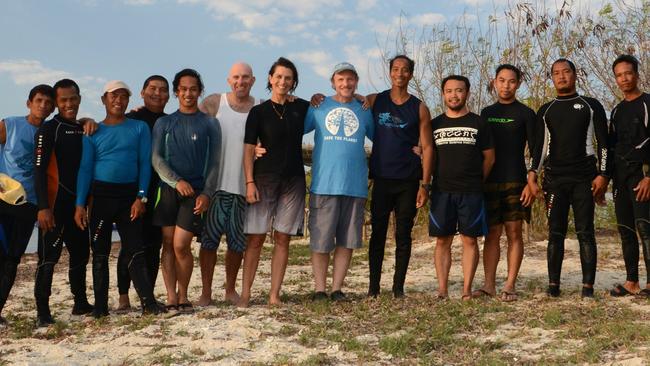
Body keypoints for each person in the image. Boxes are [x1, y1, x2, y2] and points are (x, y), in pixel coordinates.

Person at [74, 80, 165, 317]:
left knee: (135, 250)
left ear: (128, 100)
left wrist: (141, 198)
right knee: (100, 253)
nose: (118, 100)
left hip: (129, 198)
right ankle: (101, 309)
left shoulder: (138, 128)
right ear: (104, 99)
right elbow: (85, 170)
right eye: (113, 96)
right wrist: (80, 205)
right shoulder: (92, 131)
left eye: (124, 96)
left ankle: (149, 304)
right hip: (102, 198)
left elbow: (145, 164)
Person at [529, 58, 609, 298]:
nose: (561, 76)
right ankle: (553, 286)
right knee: (556, 232)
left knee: (586, 232)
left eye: (566, 72)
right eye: (556, 73)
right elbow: (539, 149)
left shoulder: (591, 105)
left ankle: (588, 289)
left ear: (575, 75)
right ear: (552, 78)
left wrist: (604, 175)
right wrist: (532, 174)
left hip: (585, 179)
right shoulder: (546, 109)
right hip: (554, 180)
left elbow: (604, 145)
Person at [239, 57, 309, 307]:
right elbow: (248, 149)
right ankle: (245, 294)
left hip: (293, 180)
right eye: (278, 76)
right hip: (263, 178)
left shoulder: (301, 107)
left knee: (282, 238)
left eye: (288, 78)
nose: (283, 81)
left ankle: (274, 295)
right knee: (255, 237)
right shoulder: (258, 112)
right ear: (270, 79)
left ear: (293, 82)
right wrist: (249, 182)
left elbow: (327, 106)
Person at [151, 69, 221, 314]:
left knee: (182, 245)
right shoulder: (165, 122)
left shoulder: (210, 123)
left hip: (195, 193)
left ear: (199, 91)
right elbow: (157, 159)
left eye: (193, 89)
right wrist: (175, 180)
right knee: (168, 244)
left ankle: (183, 293)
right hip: (168, 190)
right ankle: (171, 296)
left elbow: (215, 163)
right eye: (183, 89)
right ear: (176, 92)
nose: (188, 93)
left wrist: (207, 193)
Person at [304, 62, 374, 301]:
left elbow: (382, 136)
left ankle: (336, 289)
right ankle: (320, 289)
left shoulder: (365, 109)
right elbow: (292, 129)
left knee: (347, 240)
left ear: (356, 82)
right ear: (333, 82)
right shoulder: (319, 106)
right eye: (341, 79)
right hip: (324, 184)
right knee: (321, 240)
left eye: (350, 79)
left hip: (355, 186)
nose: (346, 84)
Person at [365, 55, 434, 298]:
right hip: (382, 179)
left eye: (405, 70)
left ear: (411, 75)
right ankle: (373, 288)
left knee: (403, 234)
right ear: (390, 72)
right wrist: (318, 99)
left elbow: (427, 148)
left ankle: (398, 288)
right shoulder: (375, 101)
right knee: (378, 235)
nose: (400, 74)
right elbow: (348, 100)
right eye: (395, 69)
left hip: (407, 180)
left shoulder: (419, 108)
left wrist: (425, 185)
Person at [33, 79, 96, 326]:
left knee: (81, 254)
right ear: (57, 104)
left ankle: (80, 303)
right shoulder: (49, 130)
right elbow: (38, 171)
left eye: (73, 99)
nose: (69, 104)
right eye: (63, 100)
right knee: (48, 258)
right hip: (54, 206)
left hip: (78, 206)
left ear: (79, 99)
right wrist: (42, 207)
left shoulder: (85, 128)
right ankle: (42, 312)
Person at [472, 65, 536, 302]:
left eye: (511, 81)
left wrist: (532, 181)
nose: (506, 86)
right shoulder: (486, 113)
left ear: (518, 83)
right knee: (491, 234)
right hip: (490, 181)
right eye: (501, 81)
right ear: (494, 82)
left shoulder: (526, 113)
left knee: (514, 232)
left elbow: (537, 151)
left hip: (516, 181)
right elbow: (479, 149)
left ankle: (510, 284)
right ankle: (489, 285)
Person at [197, 62, 259, 306]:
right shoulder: (214, 102)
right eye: (236, 77)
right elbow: (189, 118)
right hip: (215, 186)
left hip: (244, 187)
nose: (240, 82)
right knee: (209, 242)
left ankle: (230, 289)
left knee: (236, 245)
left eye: (245, 78)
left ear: (252, 81)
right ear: (228, 80)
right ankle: (205, 292)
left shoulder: (259, 107)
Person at [429, 75, 495, 301]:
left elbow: (489, 158)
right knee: (442, 240)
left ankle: (467, 290)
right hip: (441, 191)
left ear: (467, 93)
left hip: (471, 191)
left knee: (469, 240)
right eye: (449, 91)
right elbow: (427, 156)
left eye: (459, 90)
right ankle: (442, 290)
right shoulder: (434, 124)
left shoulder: (478, 123)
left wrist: (476, 180)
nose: (454, 95)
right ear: (443, 94)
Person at [0, 84, 55, 326]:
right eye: (39, 100)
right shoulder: (10, 124)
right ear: (29, 103)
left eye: (47, 102)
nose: (43, 106)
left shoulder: (51, 131)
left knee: (12, 258)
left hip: (30, 203)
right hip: (3, 200)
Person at [116, 75, 170, 311]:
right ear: (142, 92)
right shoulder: (130, 119)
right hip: (131, 190)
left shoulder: (172, 121)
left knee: (153, 245)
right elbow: (106, 129)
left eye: (162, 90)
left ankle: (148, 295)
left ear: (169, 95)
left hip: (160, 190)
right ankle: (123, 297)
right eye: (152, 88)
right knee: (130, 245)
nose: (157, 93)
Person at [607, 54, 650, 298]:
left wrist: (649, 177)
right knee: (625, 229)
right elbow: (612, 147)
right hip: (620, 179)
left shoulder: (647, 103)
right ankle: (632, 281)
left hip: (642, 178)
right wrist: (606, 179)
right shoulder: (616, 111)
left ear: (637, 74)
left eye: (628, 73)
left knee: (645, 228)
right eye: (619, 75)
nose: (624, 78)